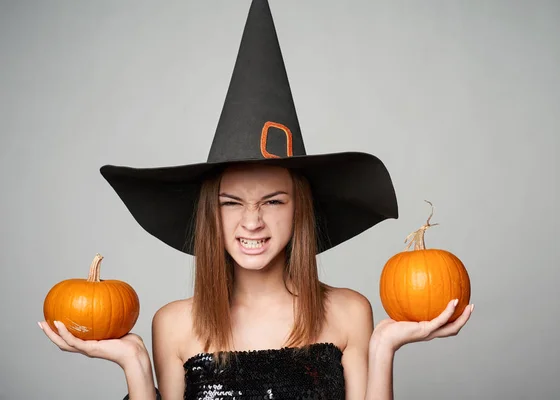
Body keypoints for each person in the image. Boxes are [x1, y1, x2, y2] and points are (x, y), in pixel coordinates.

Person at [39, 1, 473, 399]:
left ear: (300, 208)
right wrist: (135, 364)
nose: (251, 222)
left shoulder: (349, 311)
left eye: (273, 201)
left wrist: (383, 348)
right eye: (231, 203)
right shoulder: (173, 324)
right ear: (211, 214)